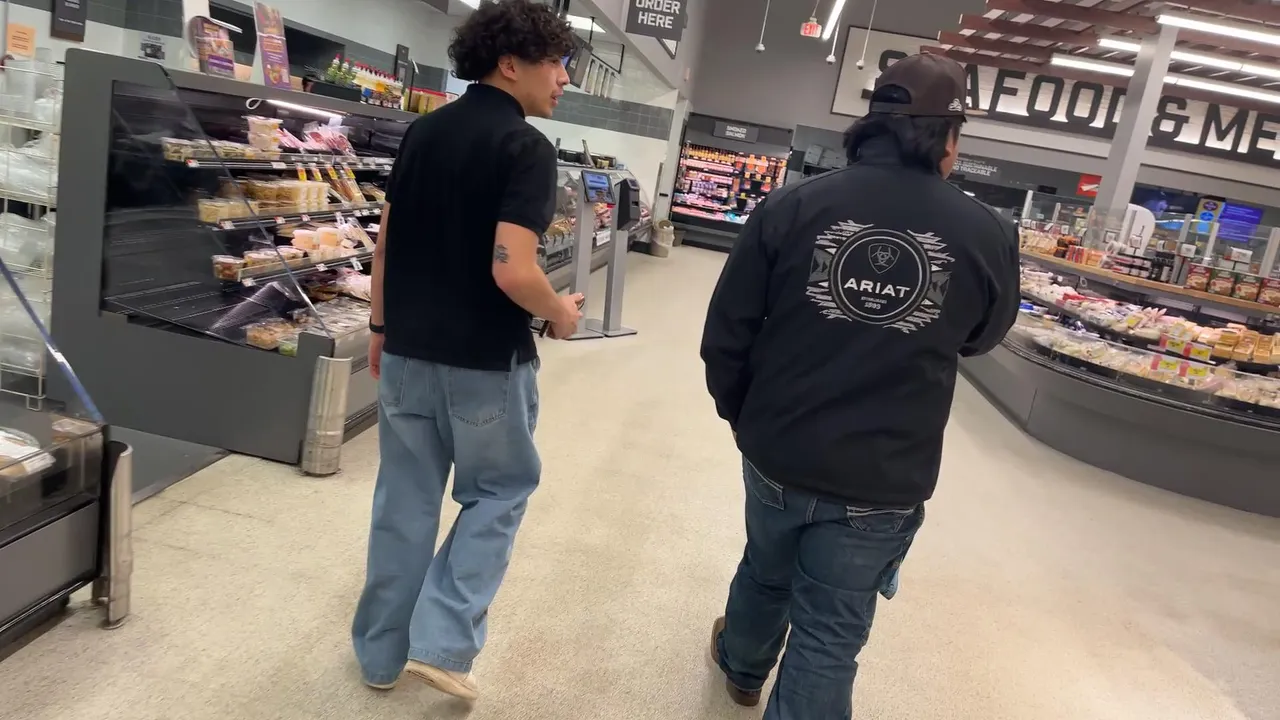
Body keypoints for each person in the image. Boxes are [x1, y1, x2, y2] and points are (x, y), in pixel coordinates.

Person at [700, 53, 1021, 719]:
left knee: (765, 567)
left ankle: (743, 669)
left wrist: (745, 419)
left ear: (868, 126)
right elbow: (981, 337)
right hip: (885, 472)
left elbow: (727, 331)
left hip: (780, 448)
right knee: (830, 632)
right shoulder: (987, 232)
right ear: (947, 137)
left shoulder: (793, 205)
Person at [351, 0, 581, 701]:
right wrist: (561, 313)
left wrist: (380, 329)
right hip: (484, 361)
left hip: (408, 352)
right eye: (555, 63)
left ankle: (380, 656)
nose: (564, 79)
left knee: (404, 500)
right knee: (500, 491)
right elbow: (512, 268)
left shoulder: (423, 132)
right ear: (510, 64)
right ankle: (444, 642)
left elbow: (385, 244)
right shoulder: (526, 148)